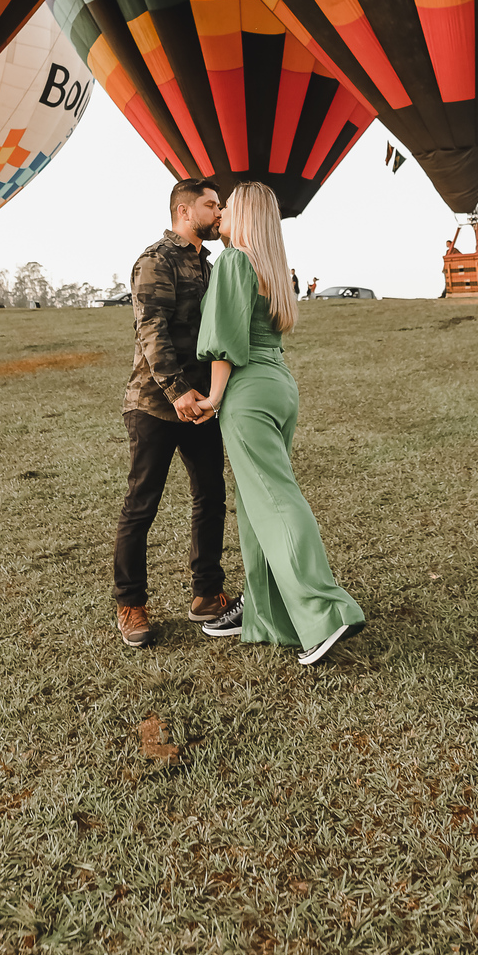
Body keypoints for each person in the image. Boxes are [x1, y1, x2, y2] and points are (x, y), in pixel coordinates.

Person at [194, 182, 365, 667]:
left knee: (273, 500)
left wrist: (214, 396)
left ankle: (325, 612)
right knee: (257, 507)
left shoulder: (233, 260)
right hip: (280, 384)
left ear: (244, 215)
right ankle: (273, 615)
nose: (220, 213)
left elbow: (225, 338)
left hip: (248, 388)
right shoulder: (272, 268)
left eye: (228, 206)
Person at [114, 179, 231, 650]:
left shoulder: (210, 264)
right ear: (184, 210)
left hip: (201, 404)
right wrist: (176, 389)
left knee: (211, 496)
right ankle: (131, 603)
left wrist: (208, 395)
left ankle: (206, 593)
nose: (218, 211)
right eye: (210, 204)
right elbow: (151, 327)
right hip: (154, 403)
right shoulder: (156, 259)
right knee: (142, 505)